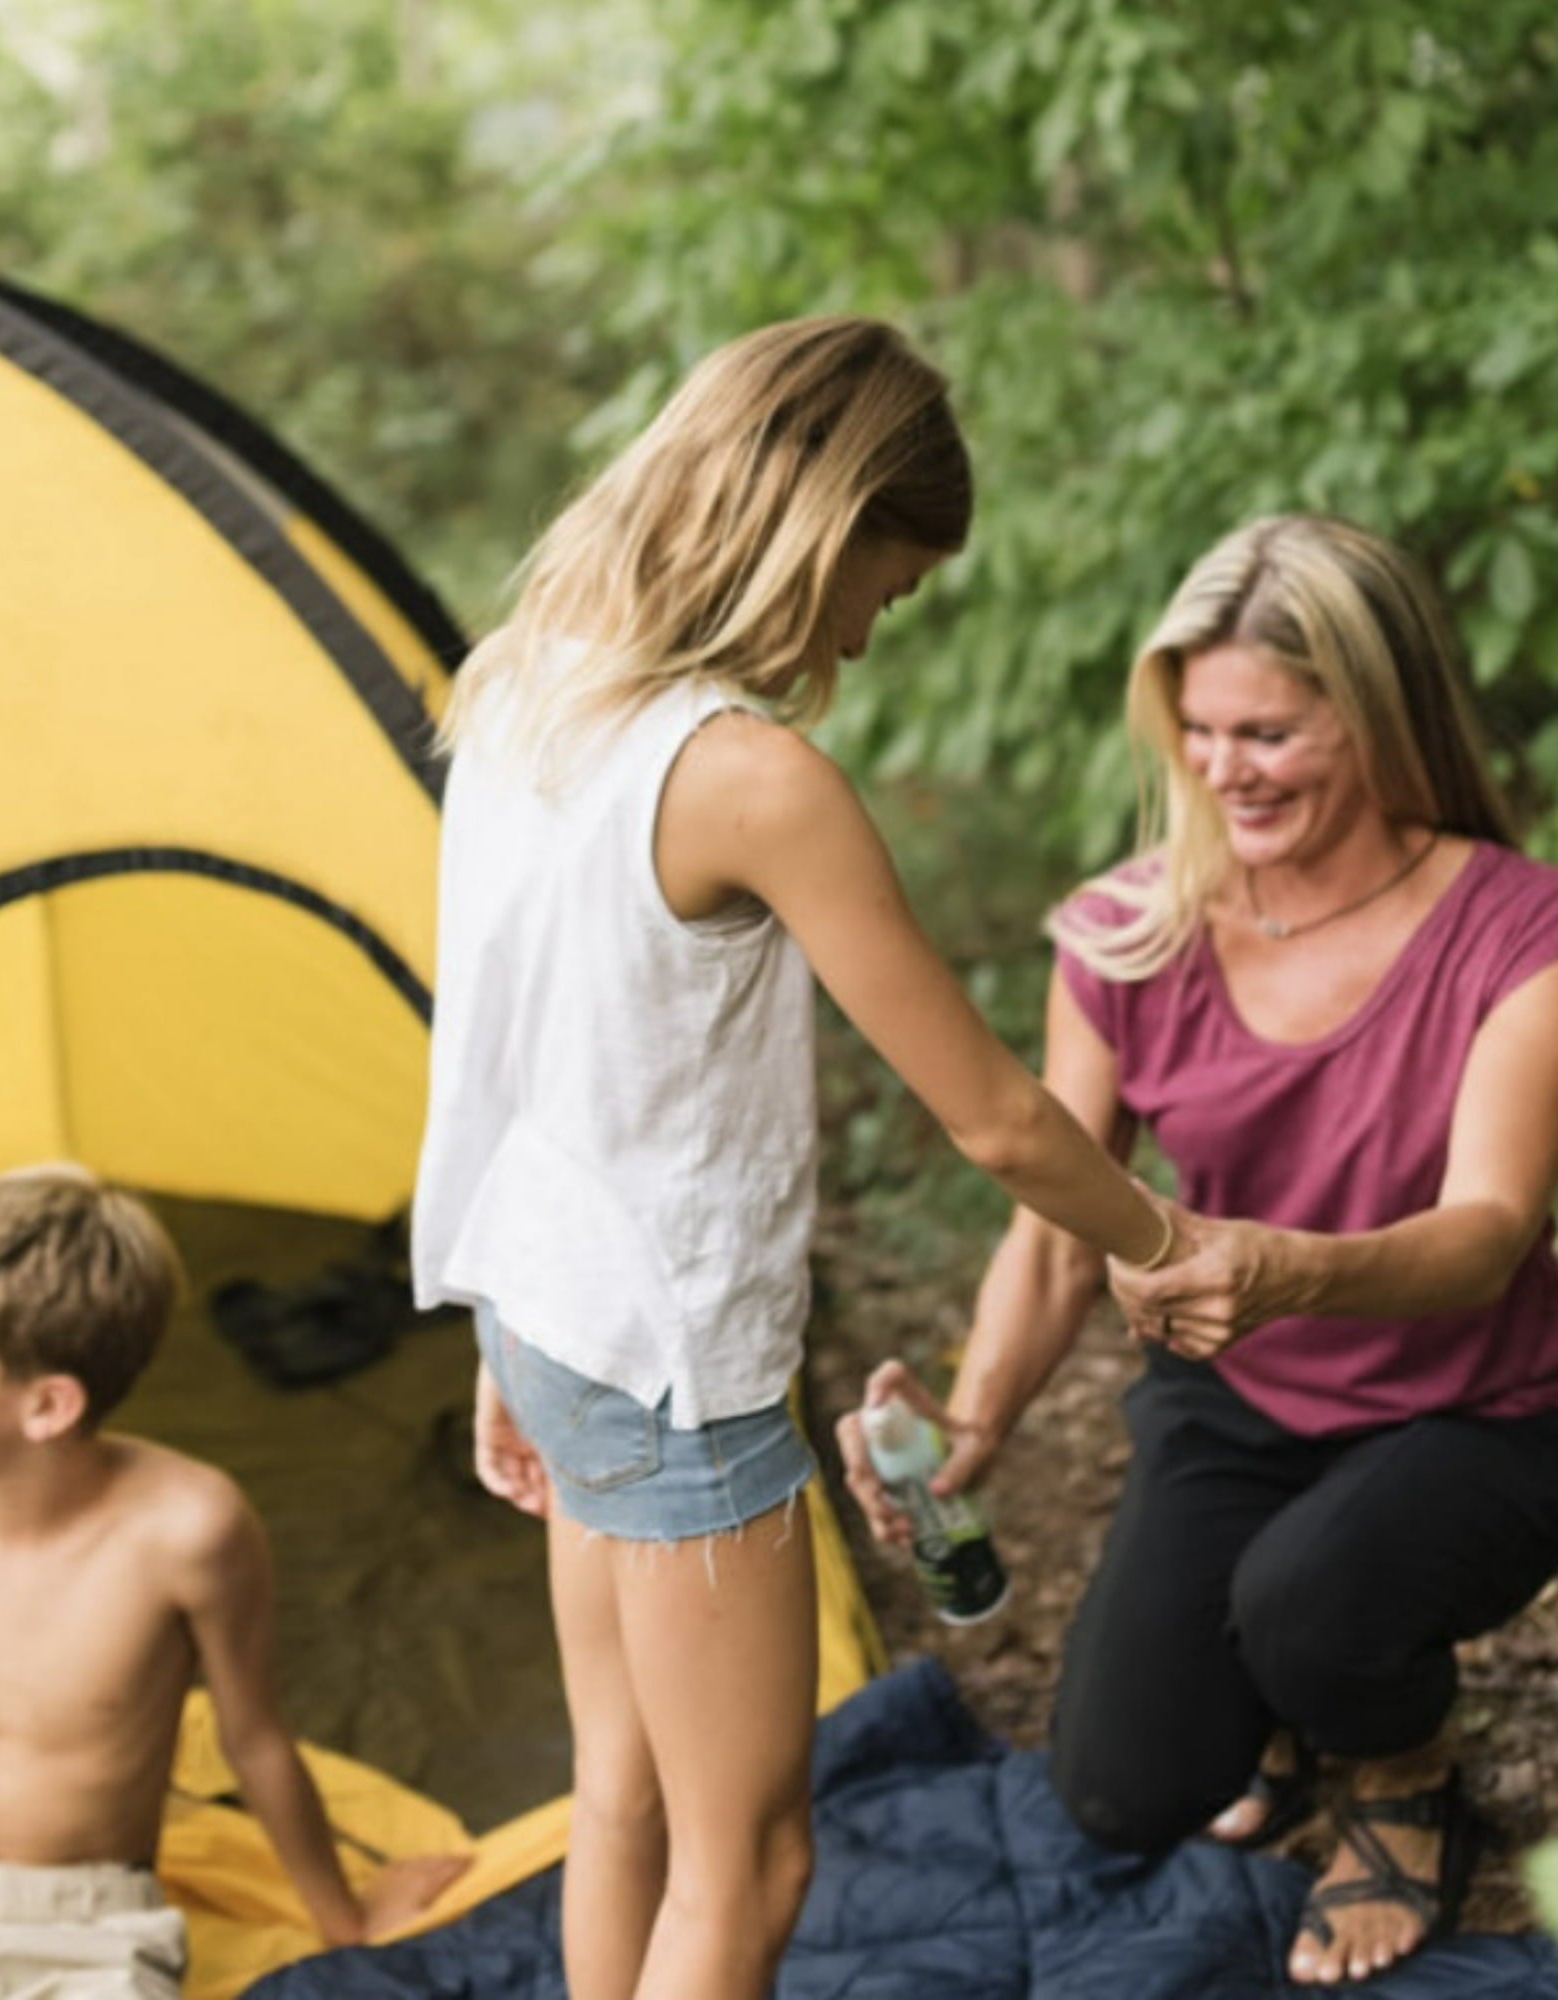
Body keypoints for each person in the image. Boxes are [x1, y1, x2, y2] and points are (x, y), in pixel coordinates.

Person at [410, 317, 1242, 2000]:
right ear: (823, 524)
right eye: (891, 581)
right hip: (671, 1367)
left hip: (554, 1317)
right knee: (756, 1852)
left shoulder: (524, 686)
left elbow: (492, 1034)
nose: (871, 630)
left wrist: (506, 1328)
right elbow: (1001, 1117)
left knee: (623, 1797)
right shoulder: (749, 778)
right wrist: (1167, 1242)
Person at [838, 514, 1558, 1987]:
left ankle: (1403, 1776)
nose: (1220, 768)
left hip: (1472, 1411)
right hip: (1239, 1408)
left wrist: (1287, 1269)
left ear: (1377, 716)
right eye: (1196, 730)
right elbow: (1058, 1234)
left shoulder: (1529, 935)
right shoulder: (1131, 933)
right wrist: (973, 1423)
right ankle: (1284, 1680)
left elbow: (1487, 1237)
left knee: (1309, 1600)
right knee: (1121, 1794)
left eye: (1267, 730)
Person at [0, 1163, 466, 1996]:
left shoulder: (187, 1528)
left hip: (93, 1931)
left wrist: (348, 1922)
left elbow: (254, 1738)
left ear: (47, 1406)